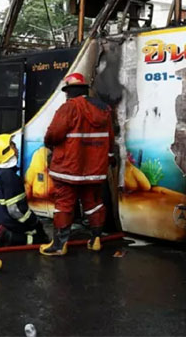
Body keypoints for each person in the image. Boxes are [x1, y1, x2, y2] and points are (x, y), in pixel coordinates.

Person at [40, 73, 114, 255]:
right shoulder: (104, 110)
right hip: (94, 169)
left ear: (69, 92)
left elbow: (53, 135)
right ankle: (96, 239)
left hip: (69, 168)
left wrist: (49, 144)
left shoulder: (69, 108)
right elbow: (110, 139)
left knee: (64, 204)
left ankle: (59, 245)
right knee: (93, 202)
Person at [0, 134, 49, 248]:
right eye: (13, 146)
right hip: (11, 224)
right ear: (7, 152)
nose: (16, 149)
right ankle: (9, 238)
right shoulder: (10, 177)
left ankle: (1, 233)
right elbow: (15, 210)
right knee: (39, 239)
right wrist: (34, 222)